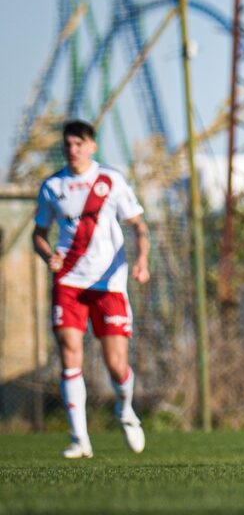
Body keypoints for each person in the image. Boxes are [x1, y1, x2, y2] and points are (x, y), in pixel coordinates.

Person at [33, 120, 149, 459]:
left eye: (79, 144)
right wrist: (48, 255)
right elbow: (39, 234)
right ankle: (79, 439)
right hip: (69, 282)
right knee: (70, 352)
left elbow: (139, 226)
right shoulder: (53, 186)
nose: (73, 150)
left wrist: (142, 260)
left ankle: (125, 410)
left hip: (108, 284)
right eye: (68, 144)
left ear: (92, 146)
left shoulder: (110, 181)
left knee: (116, 363)